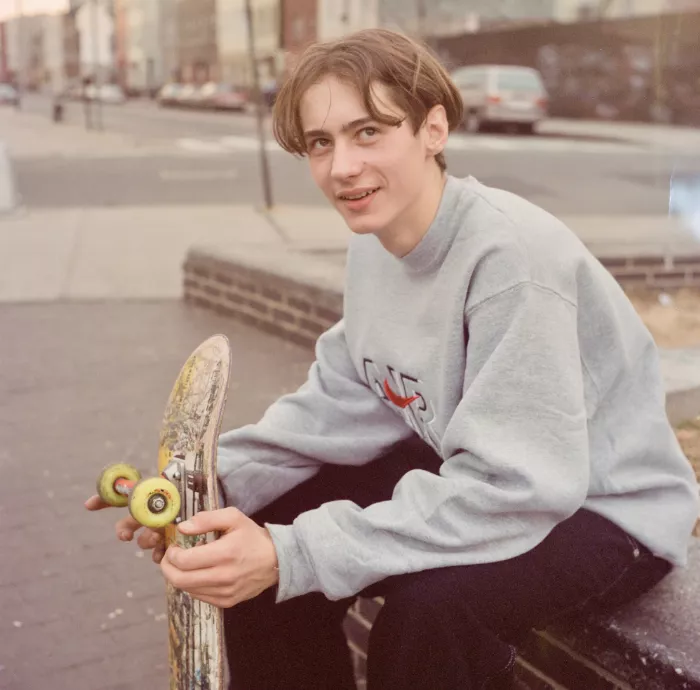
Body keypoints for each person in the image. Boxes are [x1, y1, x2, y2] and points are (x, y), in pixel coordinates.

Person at [86, 28, 699, 690]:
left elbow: (521, 487)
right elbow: (345, 401)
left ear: (433, 127)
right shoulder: (377, 243)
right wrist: (211, 487)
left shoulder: (510, 260)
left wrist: (296, 553)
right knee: (259, 556)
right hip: (484, 465)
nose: (341, 166)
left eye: (369, 132)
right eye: (321, 143)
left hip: (602, 507)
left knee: (428, 615)